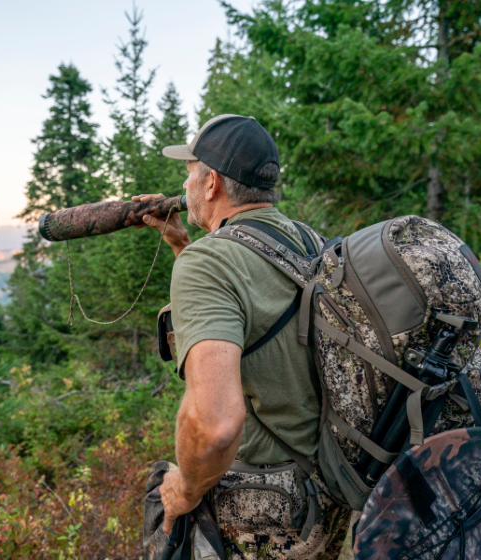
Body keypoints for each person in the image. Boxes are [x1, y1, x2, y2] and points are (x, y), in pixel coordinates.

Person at [134, 115, 351, 559]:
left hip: (264, 505)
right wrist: (181, 245)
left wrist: (182, 492)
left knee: (163, 491)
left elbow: (215, 426)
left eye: (189, 172)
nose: (184, 184)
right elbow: (254, 304)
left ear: (211, 183)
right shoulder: (308, 242)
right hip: (331, 487)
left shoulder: (209, 262)